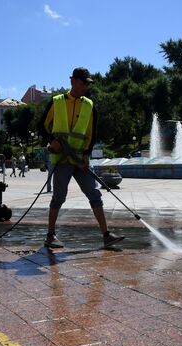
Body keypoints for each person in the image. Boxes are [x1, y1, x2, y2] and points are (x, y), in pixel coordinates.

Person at [37, 67, 124, 249]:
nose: (86, 86)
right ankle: (50, 236)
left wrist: (86, 155)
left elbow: (91, 134)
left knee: (94, 194)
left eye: (88, 83)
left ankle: (106, 235)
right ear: (73, 81)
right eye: (84, 82)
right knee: (59, 197)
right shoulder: (57, 101)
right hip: (62, 160)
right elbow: (41, 126)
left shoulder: (89, 105)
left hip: (80, 160)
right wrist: (52, 140)